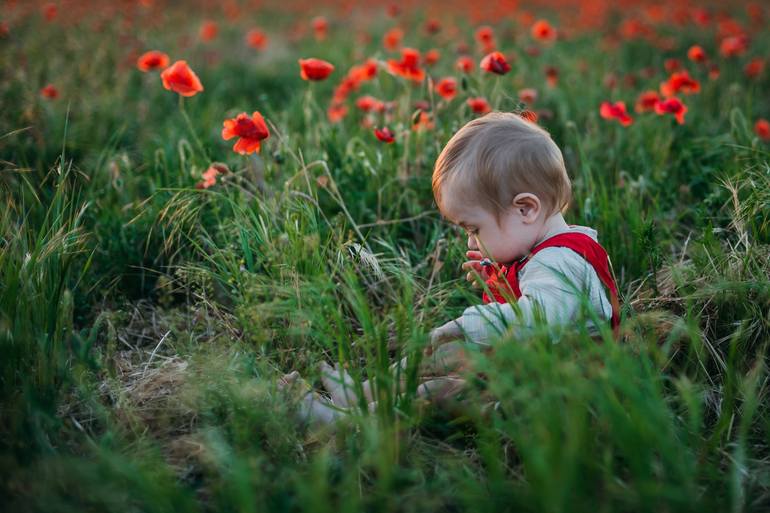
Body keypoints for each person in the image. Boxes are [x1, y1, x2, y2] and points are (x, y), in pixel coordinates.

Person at [282, 111, 622, 426]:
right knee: (448, 354)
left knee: (441, 391)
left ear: (526, 209)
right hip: (529, 373)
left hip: (558, 398)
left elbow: (540, 319)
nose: (471, 243)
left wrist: (466, 323)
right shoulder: (542, 253)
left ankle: (343, 420)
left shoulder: (561, 261)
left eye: (474, 229)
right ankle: (360, 394)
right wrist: (502, 290)